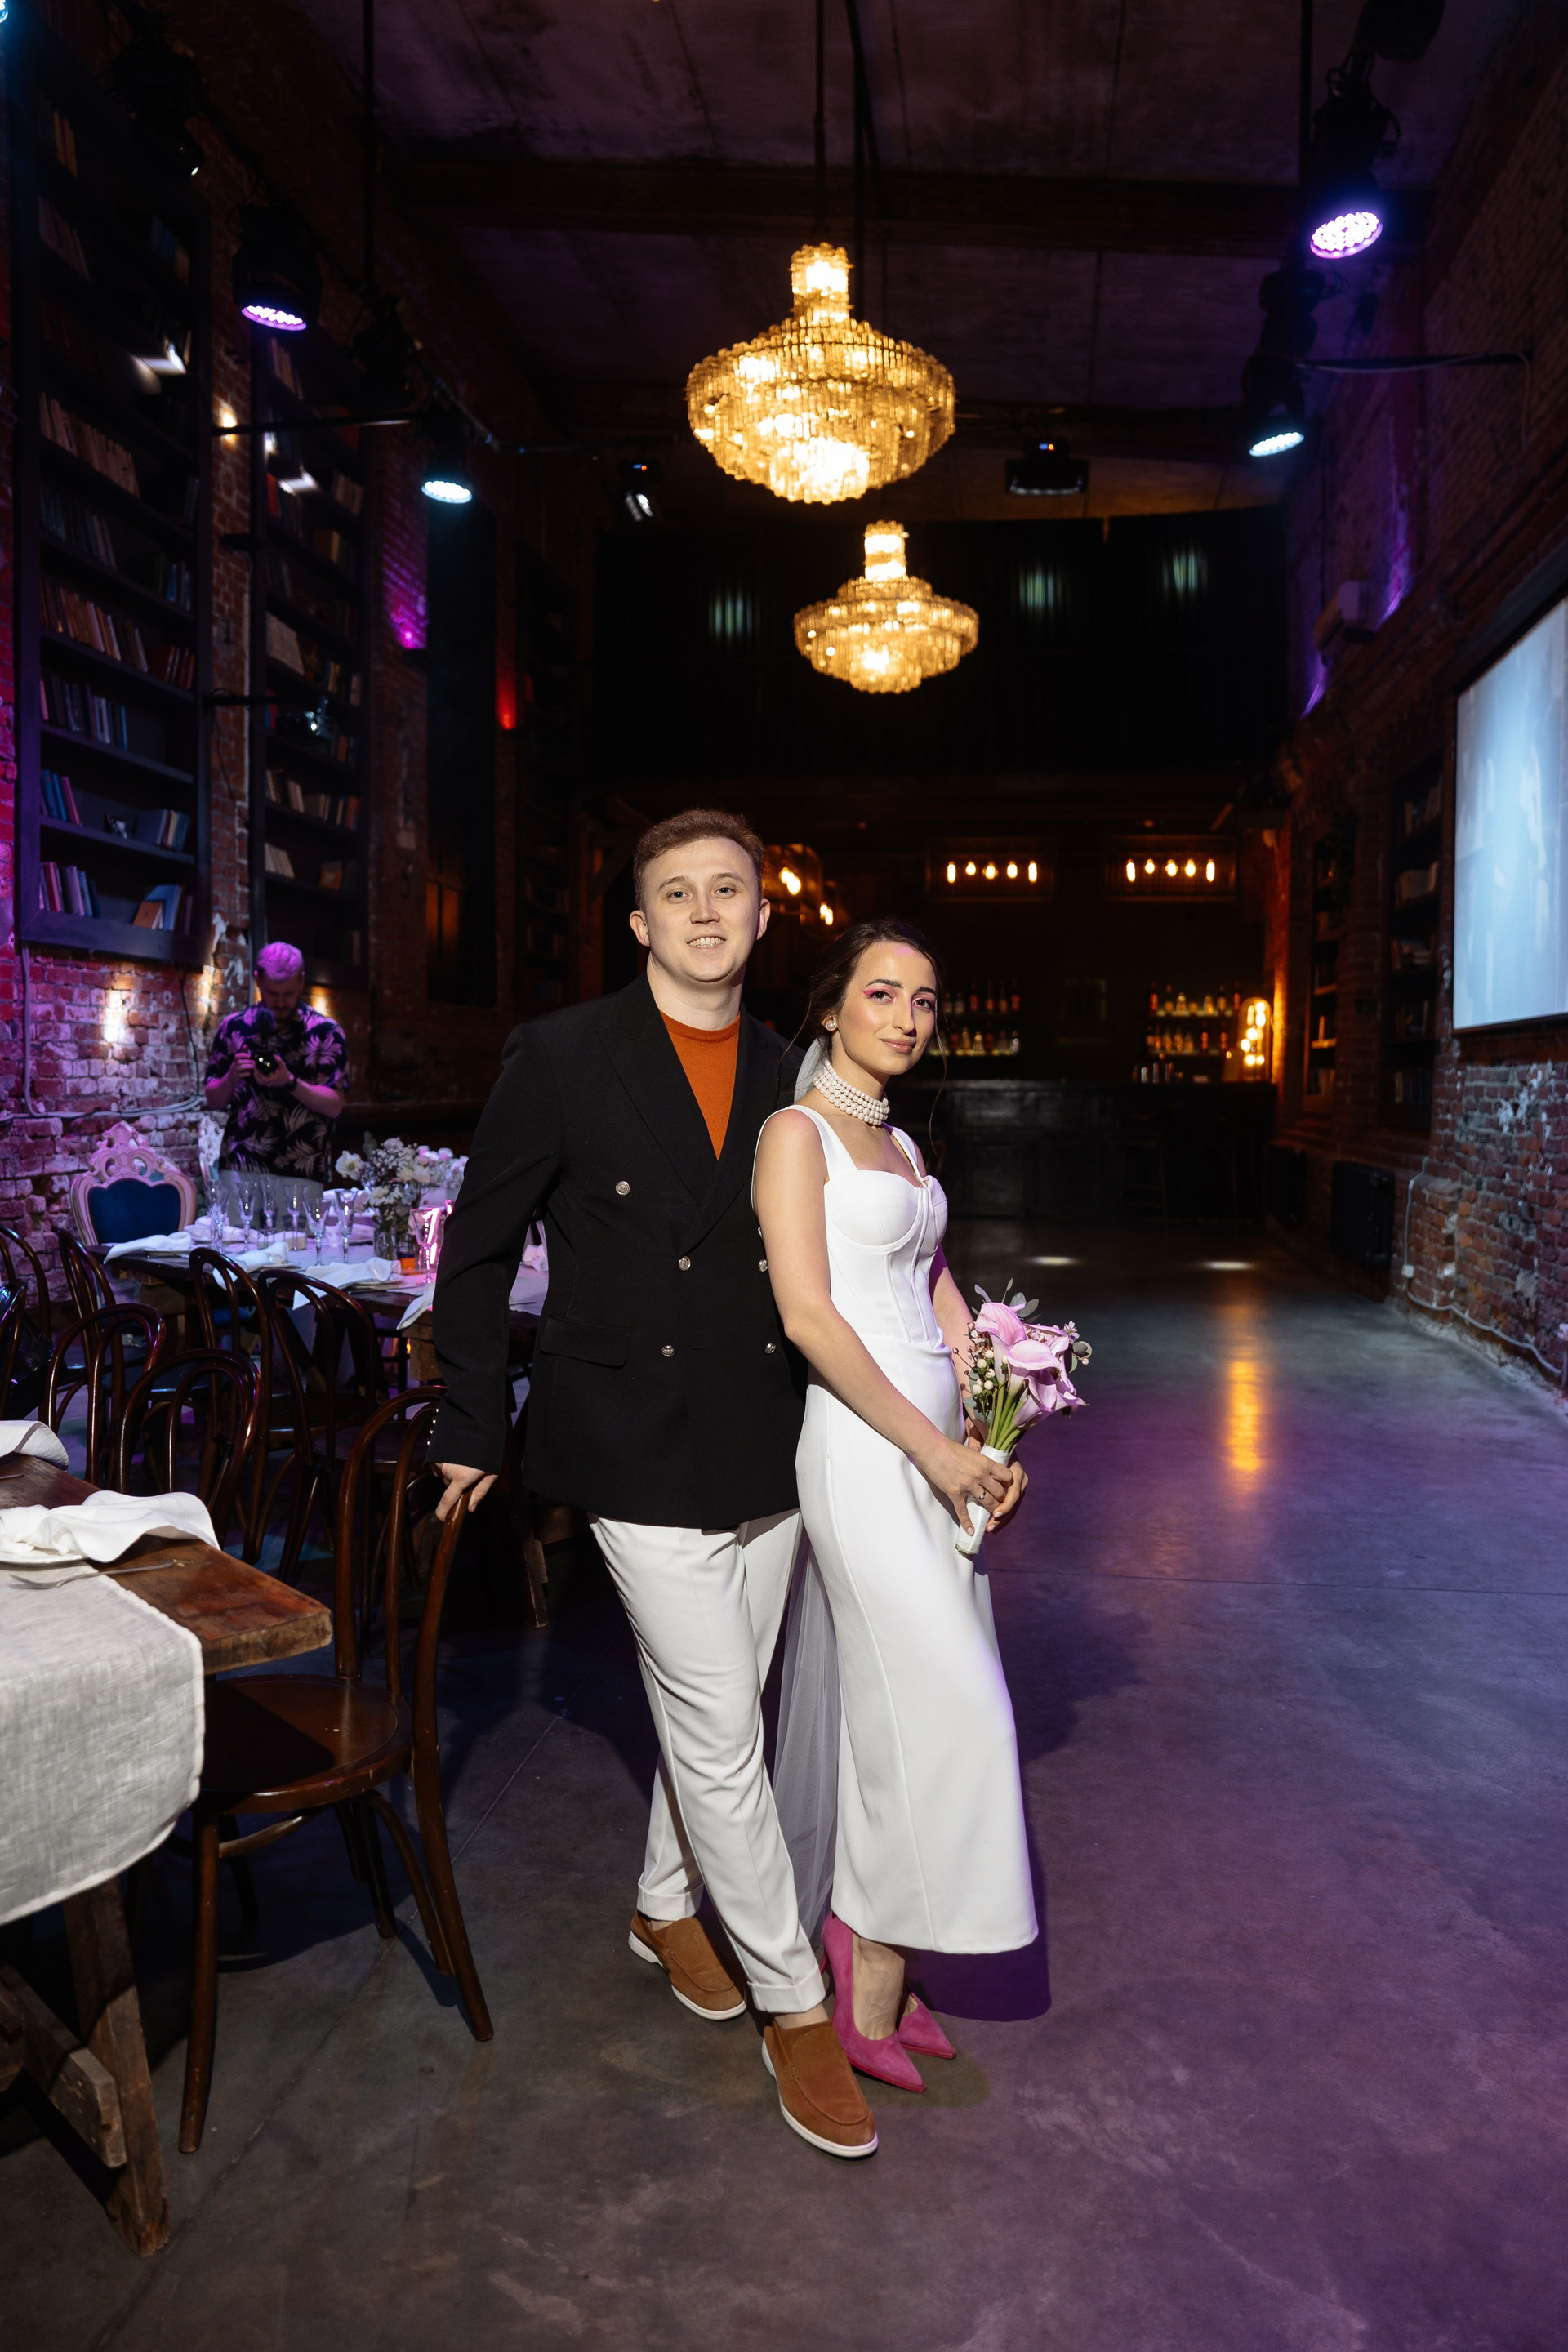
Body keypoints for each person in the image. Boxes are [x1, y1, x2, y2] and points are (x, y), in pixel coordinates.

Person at [430, 811, 889, 2158]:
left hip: (769, 1436)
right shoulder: (563, 1055)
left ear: (762, 917)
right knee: (721, 1731)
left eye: (726, 891)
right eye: (676, 894)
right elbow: (477, 1251)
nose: (703, 912)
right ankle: (795, 2007)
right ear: (640, 924)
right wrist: (472, 1423)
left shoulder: (796, 1068)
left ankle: (661, 1905)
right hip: (629, 1435)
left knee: (723, 1712)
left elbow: (848, 1255)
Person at [754, 919, 1036, 2095]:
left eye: (924, 1001)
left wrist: (996, 1426)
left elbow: (936, 1287)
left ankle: (877, 1951)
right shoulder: (796, 1135)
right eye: (882, 994)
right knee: (952, 1715)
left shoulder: (905, 1146)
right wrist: (933, 1451)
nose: (908, 1018)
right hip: (867, 1458)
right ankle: (867, 1963)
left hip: (938, 1457)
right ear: (831, 1007)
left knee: (908, 1719)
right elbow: (809, 1318)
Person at [203, 942, 348, 1217]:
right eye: (272, 993)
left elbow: (334, 1105)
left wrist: (290, 1082)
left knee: (298, 1245)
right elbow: (212, 1100)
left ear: (302, 980)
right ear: (258, 979)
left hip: (301, 1169)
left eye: (289, 994)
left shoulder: (326, 1032)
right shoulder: (234, 1027)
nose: (281, 1003)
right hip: (241, 1165)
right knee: (236, 1243)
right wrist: (231, 1077)